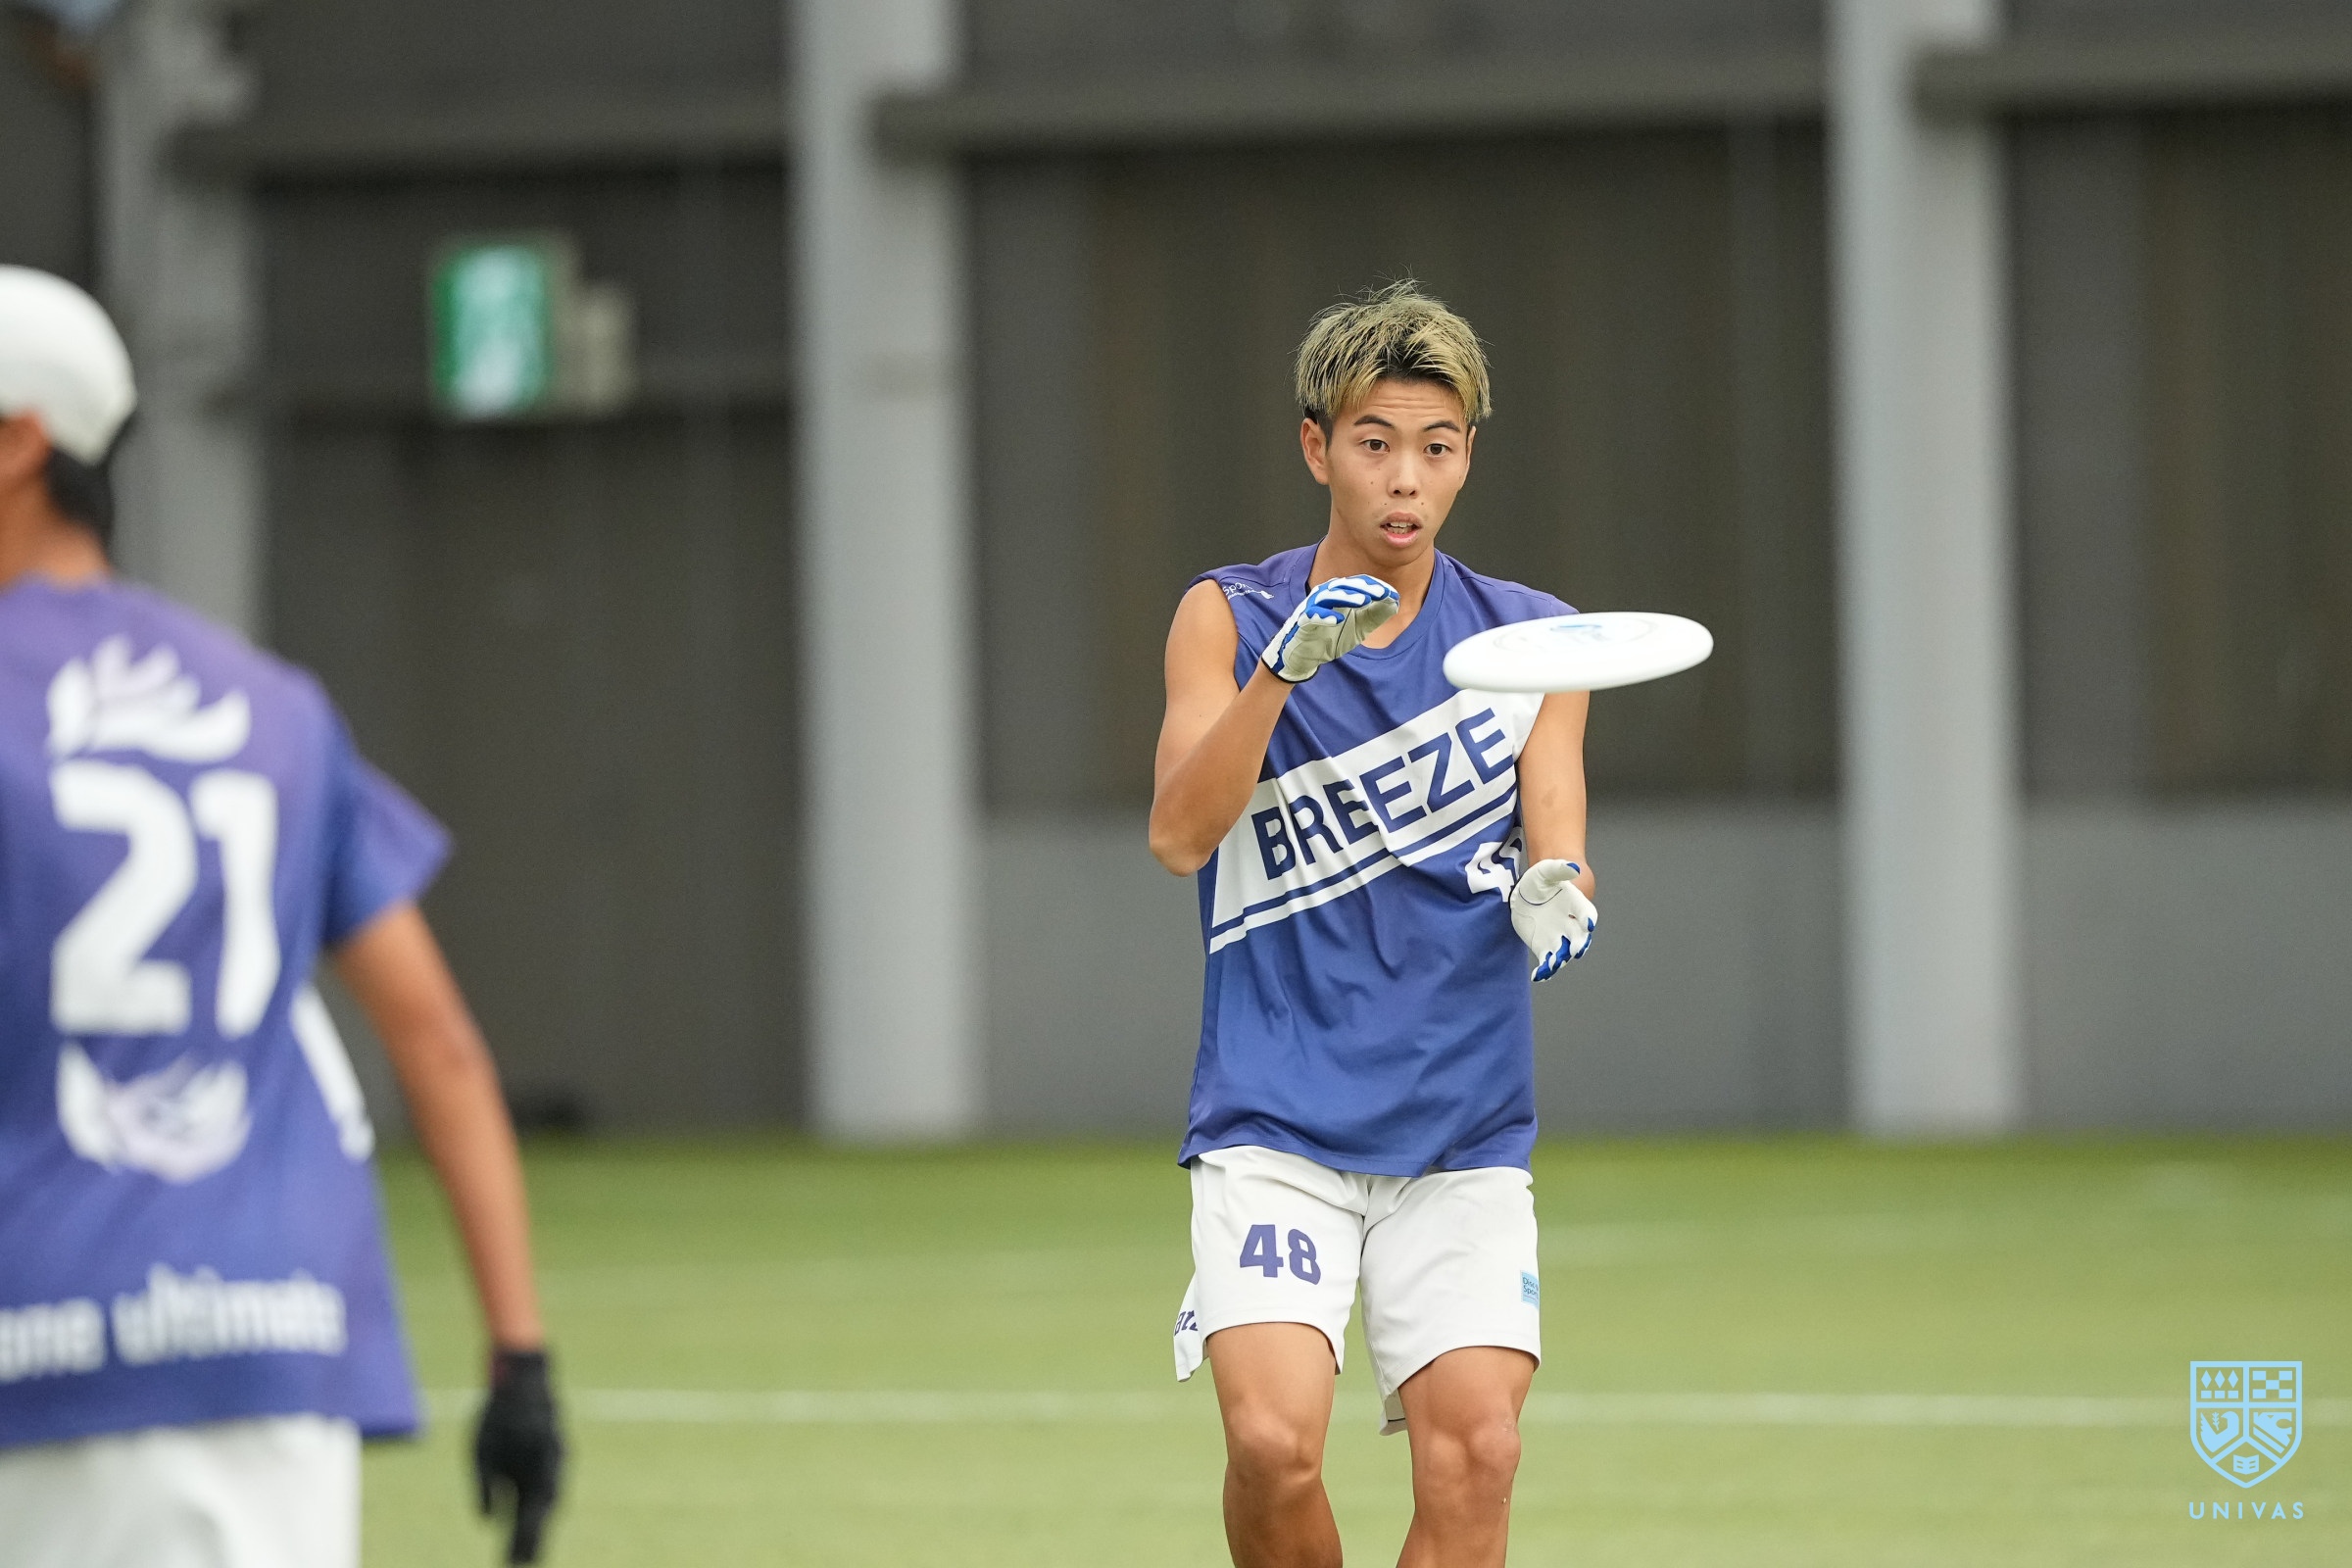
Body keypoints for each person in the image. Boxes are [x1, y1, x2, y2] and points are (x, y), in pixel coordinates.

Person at [0, 266, 564, 1566]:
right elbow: (438, 1044)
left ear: (20, 443)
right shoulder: (275, 708)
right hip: (279, 1346)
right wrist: (519, 1355)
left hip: (39, 1337)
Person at [1152, 280, 1598, 1568]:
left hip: (1460, 1124)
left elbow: (1559, 838)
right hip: (1277, 1117)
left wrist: (1558, 894)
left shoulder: (1532, 641)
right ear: (1317, 448)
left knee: (1480, 1454)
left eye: (1437, 447)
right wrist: (1283, 673)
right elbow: (1180, 833)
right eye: (1375, 443)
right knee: (1272, 1444)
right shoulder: (1228, 617)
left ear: (1468, 458)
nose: (1406, 478)